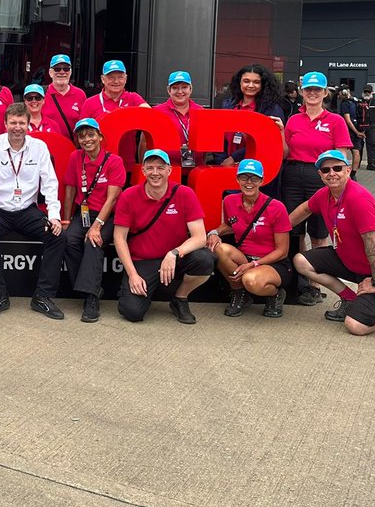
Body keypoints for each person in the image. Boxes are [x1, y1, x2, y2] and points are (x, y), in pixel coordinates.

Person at [288, 150, 375, 334]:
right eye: (325, 170)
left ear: (348, 170)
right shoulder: (324, 194)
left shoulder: (358, 198)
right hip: (353, 262)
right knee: (301, 261)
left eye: (337, 168)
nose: (331, 173)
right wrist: (280, 229)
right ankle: (350, 299)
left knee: (356, 326)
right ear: (320, 174)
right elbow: (304, 209)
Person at [0, 101, 65, 319]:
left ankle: (42, 297)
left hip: (27, 210)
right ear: (5, 124)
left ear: (28, 124)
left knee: (58, 237)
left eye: (22, 123)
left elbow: (50, 183)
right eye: (13, 123)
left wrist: (54, 216)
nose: (17, 127)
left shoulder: (39, 147)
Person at [113, 150, 215, 324]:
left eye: (160, 168)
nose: (155, 173)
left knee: (205, 259)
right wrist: (132, 275)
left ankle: (180, 298)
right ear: (143, 170)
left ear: (169, 170)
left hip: (176, 258)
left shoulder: (184, 193)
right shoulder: (128, 195)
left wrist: (174, 253)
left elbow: (200, 237)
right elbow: (119, 238)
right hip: (142, 261)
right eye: (150, 168)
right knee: (132, 312)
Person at [281, 71, 353, 304]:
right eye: (308, 90)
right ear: (302, 93)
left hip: (320, 177)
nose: (312, 93)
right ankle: (300, 281)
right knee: (295, 230)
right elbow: (286, 151)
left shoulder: (335, 120)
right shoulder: (294, 120)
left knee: (319, 232)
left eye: (317, 90)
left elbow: (341, 156)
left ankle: (315, 284)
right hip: (293, 175)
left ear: (324, 93)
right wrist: (280, 132)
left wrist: (337, 180)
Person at [205, 159, 290, 318]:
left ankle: (276, 294)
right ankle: (239, 293)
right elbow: (230, 225)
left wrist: (254, 264)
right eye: (244, 177)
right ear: (237, 179)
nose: (249, 182)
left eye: (254, 178)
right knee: (219, 248)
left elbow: (282, 251)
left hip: (272, 262)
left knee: (251, 280)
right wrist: (214, 232)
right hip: (245, 256)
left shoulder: (276, 207)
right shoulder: (230, 201)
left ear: (262, 181)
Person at [61, 118, 125, 323]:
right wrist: (66, 220)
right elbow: (70, 189)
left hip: (108, 216)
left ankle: (90, 298)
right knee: (68, 239)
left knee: (93, 241)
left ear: (100, 137)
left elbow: (112, 199)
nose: (87, 139)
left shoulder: (114, 161)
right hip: (83, 213)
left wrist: (97, 226)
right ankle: (91, 288)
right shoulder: (75, 157)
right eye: (82, 136)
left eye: (91, 135)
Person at [79, 59, 149, 168]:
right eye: (111, 77)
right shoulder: (90, 103)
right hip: (97, 165)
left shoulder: (133, 98)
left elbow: (150, 115)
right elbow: (80, 135)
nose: (116, 81)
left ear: (125, 79)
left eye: (120, 77)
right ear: (103, 79)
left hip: (127, 164)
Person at [217, 64, 285, 167]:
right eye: (246, 81)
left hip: (256, 168)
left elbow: (267, 141)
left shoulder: (271, 109)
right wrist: (222, 162)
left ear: (263, 85)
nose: (251, 85)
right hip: (226, 166)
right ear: (239, 82)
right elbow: (219, 137)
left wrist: (234, 158)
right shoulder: (228, 105)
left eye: (256, 82)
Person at [153, 70, 204, 170]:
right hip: (166, 170)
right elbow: (145, 143)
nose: (180, 92)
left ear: (191, 89)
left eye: (184, 87)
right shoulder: (157, 111)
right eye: (175, 88)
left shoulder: (201, 111)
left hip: (196, 170)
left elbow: (206, 147)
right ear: (168, 90)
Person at [41, 54, 88, 139]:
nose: (62, 72)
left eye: (66, 69)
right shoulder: (41, 95)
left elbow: (84, 124)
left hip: (72, 145)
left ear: (70, 72)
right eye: (57, 69)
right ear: (50, 72)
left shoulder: (80, 94)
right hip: (47, 144)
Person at [358, 83, 375, 171]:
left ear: (372, 92)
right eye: (365, 92)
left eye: (368, 92)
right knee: (359, 145)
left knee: (372, 145)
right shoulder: (358, 101)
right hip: (360, 126)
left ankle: (371, 164)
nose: (367, 93)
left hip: (372, 126)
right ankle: (357, 163)